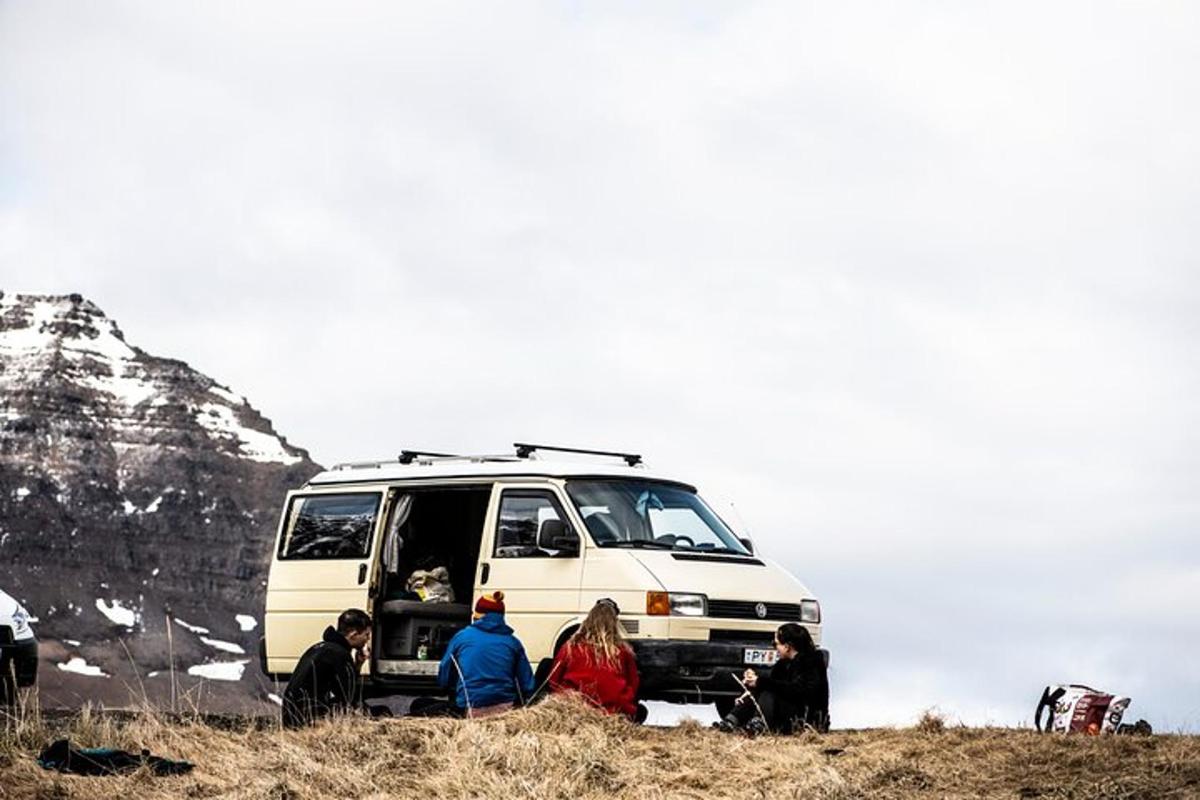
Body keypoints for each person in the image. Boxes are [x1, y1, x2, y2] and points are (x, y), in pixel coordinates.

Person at [716, 622, 829, 735]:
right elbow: (774, 683)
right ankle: (730, 721)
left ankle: (759, 723)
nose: (775, 648)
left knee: (768, 689)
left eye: (776, 644)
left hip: (806, 718)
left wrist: (760, 683)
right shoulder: (782, 665)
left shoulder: (812, 662)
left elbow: (800, 691)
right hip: (788, 712)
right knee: (762, 689)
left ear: (787, 646)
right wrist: (750, 691)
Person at [438, 591, 534, 717]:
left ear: (477, 616)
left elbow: (444, 676)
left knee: (419, 704)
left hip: (468, 708)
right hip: (506, 710)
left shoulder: (462, 637)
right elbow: (527, 684)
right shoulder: (513, 642)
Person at [549, 598, 644, 722]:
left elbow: (553, 680)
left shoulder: (570, 647)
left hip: (574, 709)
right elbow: (633, 684)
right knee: (641, 711)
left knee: (546, 664)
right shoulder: (622, 651)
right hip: (613, 712)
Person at [282, 608, 372, 728]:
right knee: (378, 711)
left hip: (291, 715)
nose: (368, 639)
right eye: (366, 634)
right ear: (354, 634)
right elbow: (349, 695)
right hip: (308, 718)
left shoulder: (320, 648)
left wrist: (358, 664)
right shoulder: (339, 654)